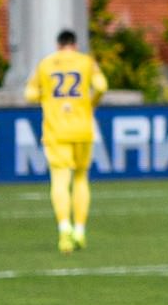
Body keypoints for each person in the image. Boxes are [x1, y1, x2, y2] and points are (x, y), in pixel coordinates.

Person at [24, 28, 107, 254]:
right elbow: (101, 86)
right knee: (80, 178)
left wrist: (48, 98)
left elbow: (29, 95)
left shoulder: (45, 64)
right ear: (75, 44)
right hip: (82, 128)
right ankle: (80, 230)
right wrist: (91, 103)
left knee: (60, 180)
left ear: (58, 45)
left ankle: (64, 229)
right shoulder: (86, 62)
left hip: (56, 130)